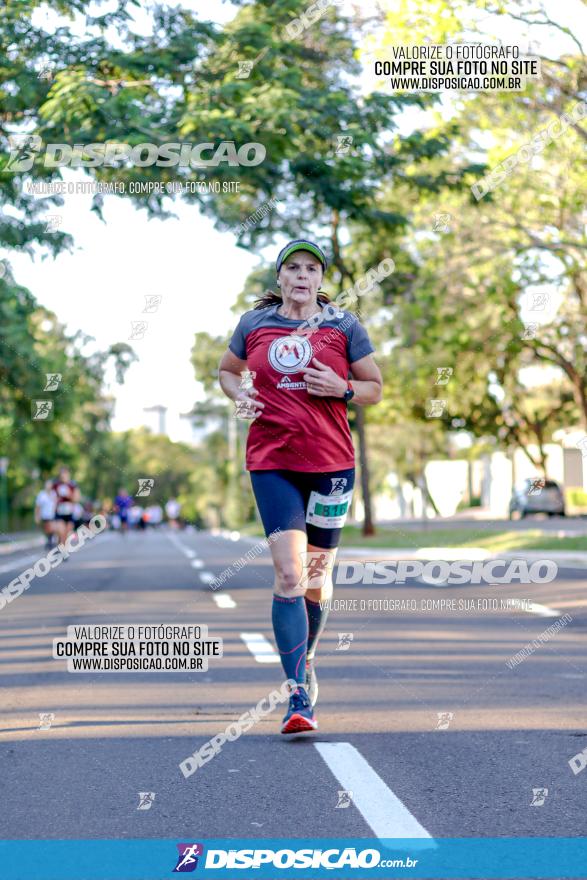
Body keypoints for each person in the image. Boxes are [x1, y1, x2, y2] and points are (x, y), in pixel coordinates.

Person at [218, 239, 382, 734]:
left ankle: (305, 657)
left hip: (332, 464)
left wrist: (344, 389)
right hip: (272, 463)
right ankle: (297, 694)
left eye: (312, 269)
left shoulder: (343, 326)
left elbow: (374, 387)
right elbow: (227, 371)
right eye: (293, 268)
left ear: (320, 279)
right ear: (280, 277)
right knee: (289, 575)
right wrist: (240, 394)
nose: (302, 276)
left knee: (317, 577)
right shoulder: (254, 324)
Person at [52, 467, 81, 547]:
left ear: (68, 474)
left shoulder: (73, 485)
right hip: (59, 512)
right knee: (61, 532)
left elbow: (77, 499)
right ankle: (62, 549)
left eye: (65, 474)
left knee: (66, 533)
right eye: (62, 474)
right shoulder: (56, 485)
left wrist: (69, 495)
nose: (63, 476)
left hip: (70, 512)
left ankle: (62, 548)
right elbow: (52, 498)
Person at [34, 480, 57, 549]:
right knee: (46, 528)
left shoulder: (54, 494)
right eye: (47, 485)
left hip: (52, 514)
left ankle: (50, 541)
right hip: (44, 515)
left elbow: (56, 503)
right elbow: (38, 506)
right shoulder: (41, 494)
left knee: (52, 528)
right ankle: (49, 541)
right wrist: (37, 516)